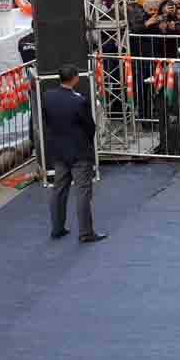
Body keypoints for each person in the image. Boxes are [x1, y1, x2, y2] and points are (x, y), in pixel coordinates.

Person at [41, 64, 106, 242]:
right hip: (79, 152)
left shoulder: (47, 97)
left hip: (60, 151)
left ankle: (57, 228)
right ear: (75, 78)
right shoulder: (79, 101)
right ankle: (86, 232)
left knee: (59, 190)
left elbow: (46, 121)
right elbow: (89, 126)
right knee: (82, 191)